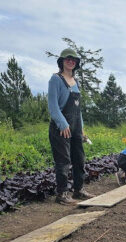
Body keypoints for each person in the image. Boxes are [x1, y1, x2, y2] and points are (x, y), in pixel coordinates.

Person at [47, 48, 96, 205]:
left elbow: (78, 109)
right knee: (63, 160)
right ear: (62, 61)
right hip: (60, 127)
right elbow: (53, 107)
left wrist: (81, 129)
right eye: (67, 59)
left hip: (75, 126)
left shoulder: (76, 83)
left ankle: (78, 190)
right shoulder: (55, 80)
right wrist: (62, 124)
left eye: (73, 59)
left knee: (79, 159)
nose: (71, 61)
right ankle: (62, 194)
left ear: (76, 63)